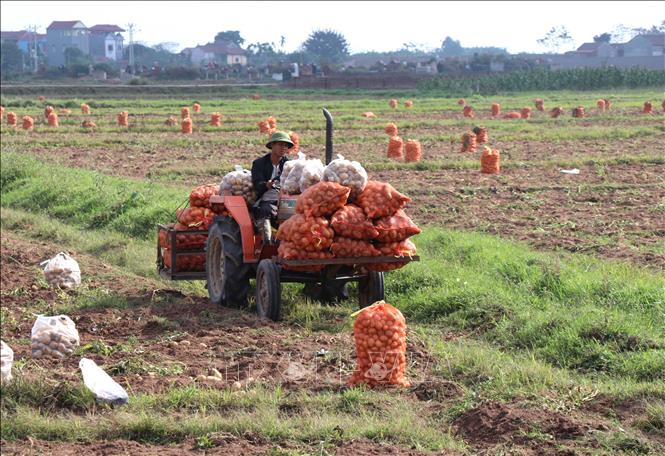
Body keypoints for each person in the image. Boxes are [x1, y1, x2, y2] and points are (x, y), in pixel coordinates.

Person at [251, 131, 293, 242]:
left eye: (286, 145)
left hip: (285, 199)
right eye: (280, 144)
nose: (283, 148)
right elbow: (257, 184)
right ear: (272, 145)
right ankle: (267, 244)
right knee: (265, 210)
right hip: (266, 199)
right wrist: (266, 185)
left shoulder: (290, 165)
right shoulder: (259, 163)